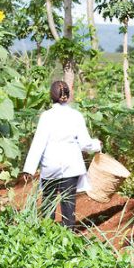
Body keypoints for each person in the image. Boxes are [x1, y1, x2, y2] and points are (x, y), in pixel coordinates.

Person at [22, 80, 101, 229]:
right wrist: (96, 145)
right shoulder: (76, 115)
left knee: (48, 202)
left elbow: (38, 144)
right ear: (68, 96)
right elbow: (84, 143)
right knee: (68, 204)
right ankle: (68, 236)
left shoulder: (46, 116)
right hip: (71, 166)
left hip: (50, 166)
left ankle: (47, 234)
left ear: (51, 96)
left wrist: (29, 169)